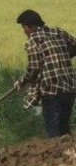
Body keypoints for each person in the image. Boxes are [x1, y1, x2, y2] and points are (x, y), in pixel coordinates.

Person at [15, 9, 76, 137]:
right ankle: (70, 156)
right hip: (70, 90)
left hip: (51, 91)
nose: (24, 32)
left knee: (54, 132)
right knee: (65, 130)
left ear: (28, 27)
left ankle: (58, 156)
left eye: (24, 28)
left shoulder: (33, 41)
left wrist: (21, 82)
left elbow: (33, 69)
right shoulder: (58, 32)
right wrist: (62, 56)